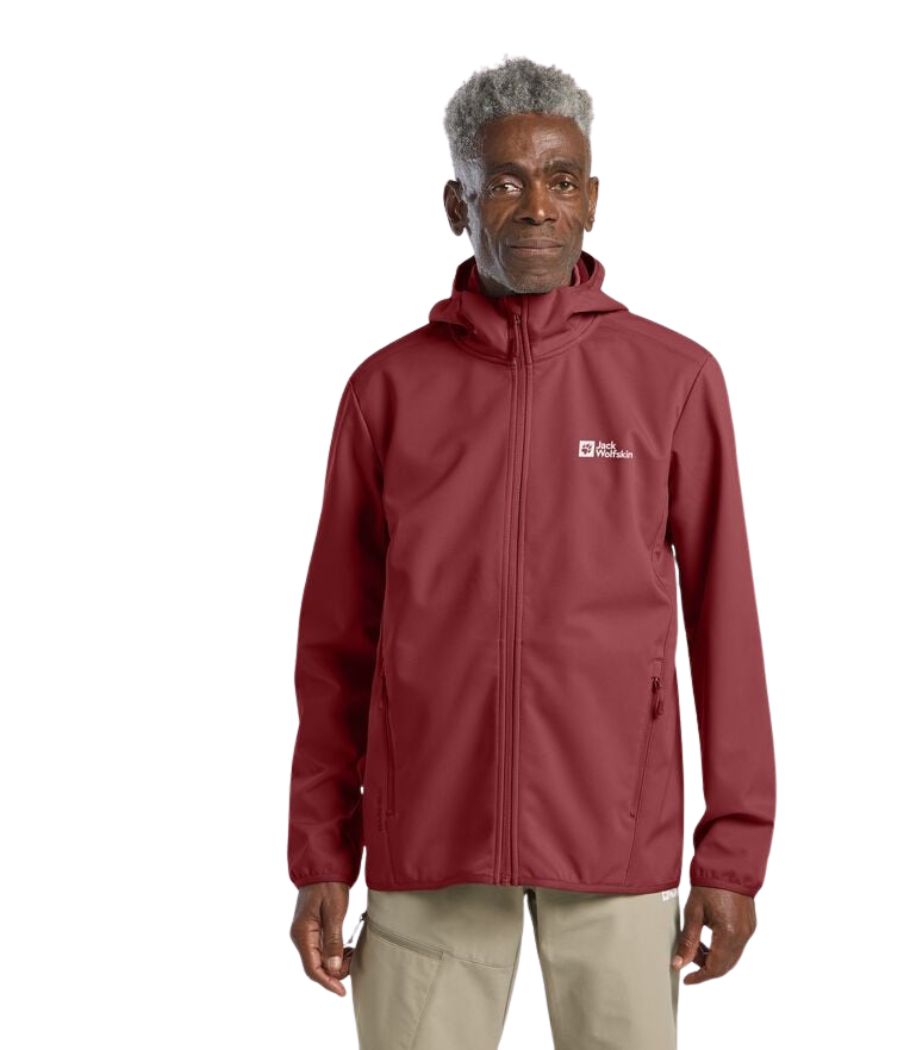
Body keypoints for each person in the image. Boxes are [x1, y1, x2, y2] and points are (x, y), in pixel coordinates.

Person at [287, 55, 776, 1049]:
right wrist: (322, 853)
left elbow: (726, 627)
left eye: (560, 180)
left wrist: (731, 858)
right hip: (432, 836)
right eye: (504, 182)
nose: (538, 207)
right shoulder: (388, 391)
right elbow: (335, 643)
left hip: (614, 835)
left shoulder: (672, 380)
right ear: (456, 204)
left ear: (592, 199)